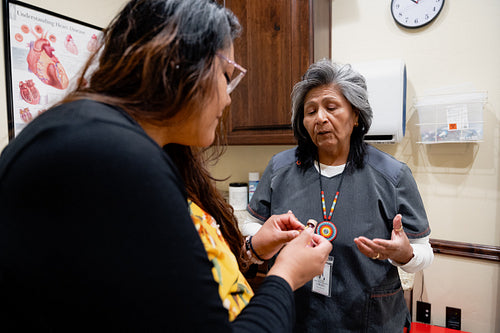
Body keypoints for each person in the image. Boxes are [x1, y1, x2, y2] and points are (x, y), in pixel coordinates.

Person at [0, 1, 332, 331]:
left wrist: (253, 249)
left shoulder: (93, 133)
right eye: (226, 76)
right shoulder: (115, 157)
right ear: (181, 64)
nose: (229, 98)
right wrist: (285, 275)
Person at [244, 59, 434, 332]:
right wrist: (268, 243)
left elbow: (423, 251)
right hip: (297, 317)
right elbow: (253, 225)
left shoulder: (393, 176)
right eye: (310, 111)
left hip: (368, 320)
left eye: (331, 107)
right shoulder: (281, 168)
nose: (320, 118)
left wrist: (405, 255)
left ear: (356, 116)